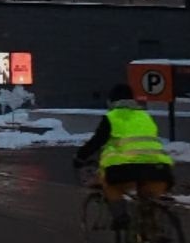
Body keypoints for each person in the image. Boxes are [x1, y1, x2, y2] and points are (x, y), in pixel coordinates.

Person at [73, 83, 175, 230]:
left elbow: (97, 141)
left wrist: (79, 157)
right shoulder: (145, 116)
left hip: (124, 169)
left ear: (111, 101)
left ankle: (121, 219)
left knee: (109, 185)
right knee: (148, 200)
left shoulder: (112, 117)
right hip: (159, 168)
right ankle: (156, 237)